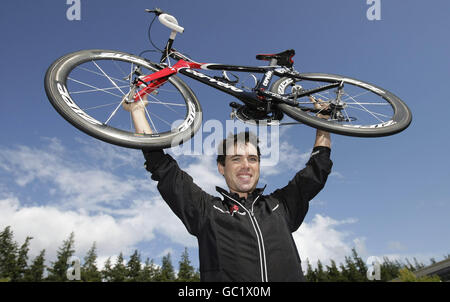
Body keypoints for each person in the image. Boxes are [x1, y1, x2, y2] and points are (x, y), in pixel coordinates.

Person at [123, 96, 332, 282]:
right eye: (236, 159)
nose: (246, 165)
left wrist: (322, 124)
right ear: (221, 167)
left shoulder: (280, 206)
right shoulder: (207, 211)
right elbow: (162, 167)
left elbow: (316, 171)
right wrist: (137, 111)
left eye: (252, 159)